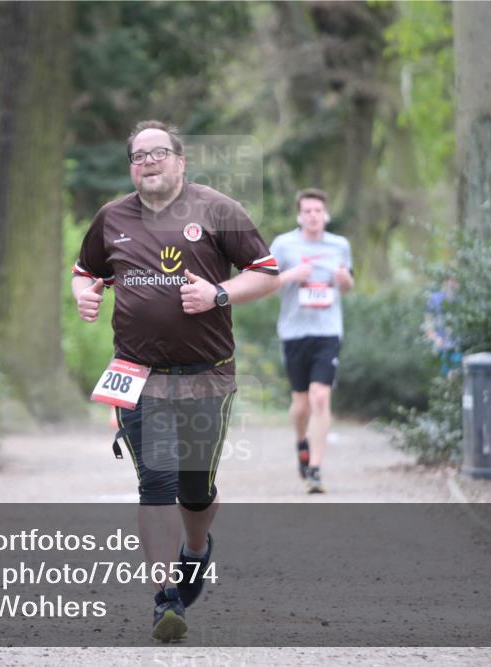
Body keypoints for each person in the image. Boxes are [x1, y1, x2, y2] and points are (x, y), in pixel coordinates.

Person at [71, 120, 279, 642]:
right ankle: (165, 598)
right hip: (137, 375)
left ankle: (195, 550)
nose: (149, 162)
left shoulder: (217, 210)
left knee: (195, 488)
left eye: (159, 153)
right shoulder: (111, 218)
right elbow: (85, 271)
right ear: (131, 168)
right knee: (156, 482)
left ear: (181, 163)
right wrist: (84, 293)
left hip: (207, 377)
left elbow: (266, 271)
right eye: (139, 156)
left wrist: (219, 295)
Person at [269, 189, 353, 494]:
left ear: (325, 214)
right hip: (294, 331)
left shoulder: (339, 245)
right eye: (307, 211)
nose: (313, 216)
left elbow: (347, 284)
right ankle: (301, 442)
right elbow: (265, 282)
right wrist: (292, 275)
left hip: (328, 330)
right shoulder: (283, 244)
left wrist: (343, 280)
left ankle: (315, 469)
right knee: (301, 403)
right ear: (299, 215)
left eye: (318, 210)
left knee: (320, 396)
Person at [424, 277, 461, 376]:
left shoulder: (462, 299)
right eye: (450, 281)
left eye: (455, 281)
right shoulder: (435, 300)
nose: (453, 284)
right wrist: (436, 338)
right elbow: (428, 325)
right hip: (443, 348)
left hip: (461, 347)